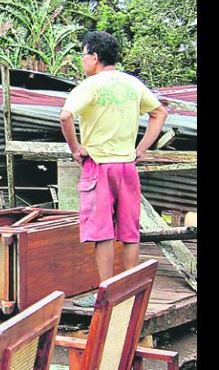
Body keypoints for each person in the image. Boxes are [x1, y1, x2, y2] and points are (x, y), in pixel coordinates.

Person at [59, 31, 168, 307]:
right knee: (130, 232)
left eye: (83, 55)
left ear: (94, 57)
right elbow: (159, 113)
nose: (82, 61)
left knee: (102, 232)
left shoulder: (90, 86)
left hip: (99, 165)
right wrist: (140, 150)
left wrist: (76, 148)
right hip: (127, 166)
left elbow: (65, 116)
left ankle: (106, 294)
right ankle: (131, 292)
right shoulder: (132, 84)